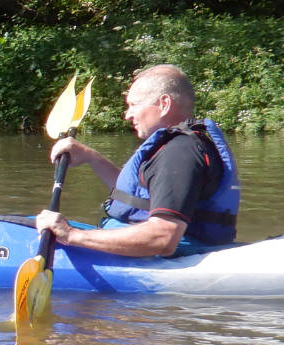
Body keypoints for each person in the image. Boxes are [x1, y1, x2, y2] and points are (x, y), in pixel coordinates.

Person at [35, 64, 239, 257]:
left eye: (133, 105)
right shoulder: (173, 146)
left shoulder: (179, 153)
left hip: (172, 259)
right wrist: (91, 157)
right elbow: (135, 197)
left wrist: (71, 235)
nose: (127, 115)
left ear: (164, 104)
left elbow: (164, 237)